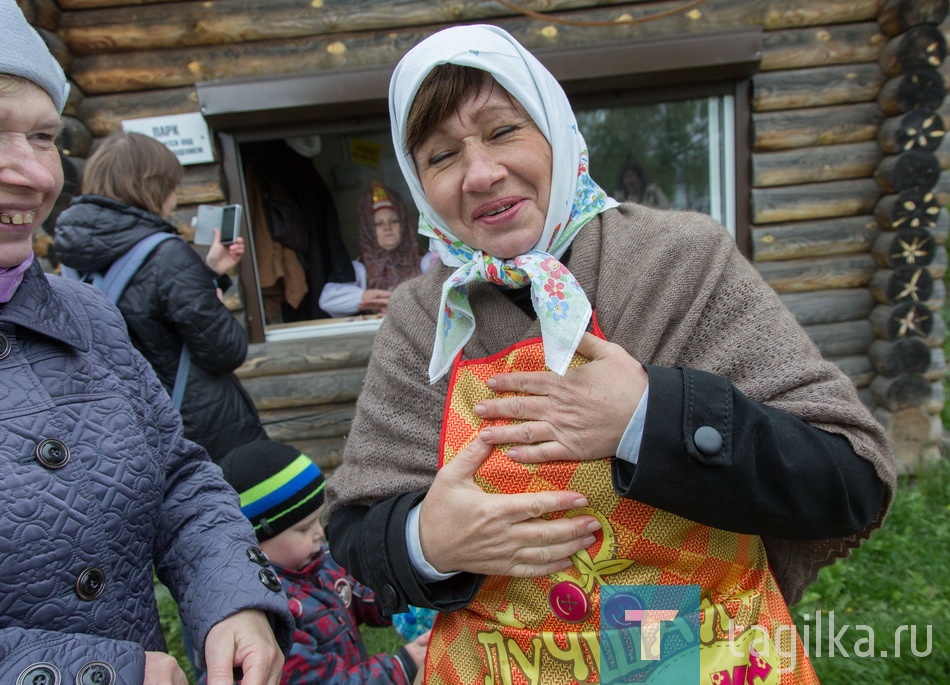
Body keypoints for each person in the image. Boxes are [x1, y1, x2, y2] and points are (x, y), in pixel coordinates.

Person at [323, 24, 896, 683]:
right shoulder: (422, 317)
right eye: (442, 155)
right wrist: (426, 540)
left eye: (504, 130)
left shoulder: (680, 260)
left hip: (687, 651)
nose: (481, 173)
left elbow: (850, 480)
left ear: (557, 132)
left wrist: (648, 414)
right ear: (420, 184)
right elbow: (355, 535)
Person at [0, 2, 293, 683]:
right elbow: (222, 347)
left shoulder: (86, 311)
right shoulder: (167, 255)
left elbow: (178, 477)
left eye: (44, 137)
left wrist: (234, 599)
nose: (37, 175)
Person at [54, 130, 268, 463]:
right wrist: (216, 303)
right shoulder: (167, 254)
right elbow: (226, 350)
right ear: (153, 184)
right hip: (203, 429)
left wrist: (210, 272)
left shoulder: (70, 261)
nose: (174, 195)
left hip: (133, 429)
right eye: (172, 183)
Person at [218, 440, 430, 685]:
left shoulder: (321, 563)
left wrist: (404, 595)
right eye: (303, 529)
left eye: (317, 521)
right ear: (255, 543)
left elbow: (361, 594)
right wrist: (404, 664)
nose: (319, 533)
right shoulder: (271, 618)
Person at [319, 181, 429, 317]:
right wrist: (366, 296)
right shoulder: (359, 269)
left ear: (404, 225)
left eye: (394, 221)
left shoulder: (425, 261)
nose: (387, 228)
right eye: (378, 223)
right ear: (368, 231)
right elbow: (327, 299)